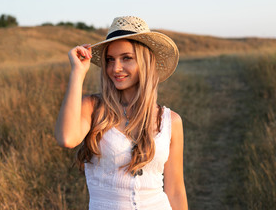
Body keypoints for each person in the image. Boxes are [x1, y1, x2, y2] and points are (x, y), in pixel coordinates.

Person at [55, 16, 188, 210]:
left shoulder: (170, 121)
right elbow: (66, 138)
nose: (115, 68)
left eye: (126, 58)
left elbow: (175, 190)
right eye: (110, 60)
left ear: (145, 61)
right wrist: (77, 73)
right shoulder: (93, 108)